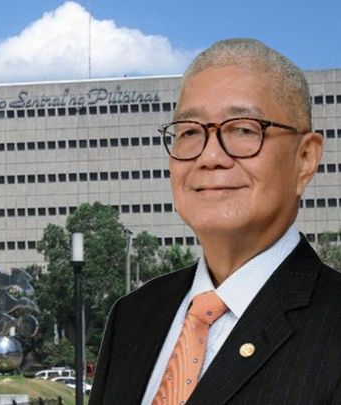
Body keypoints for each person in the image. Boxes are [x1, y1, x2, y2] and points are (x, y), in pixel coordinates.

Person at [89, 38, 341, 404]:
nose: (210, 157)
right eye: (190, 132)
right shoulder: (133, 316)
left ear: (305, 158)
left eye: (243, 129)